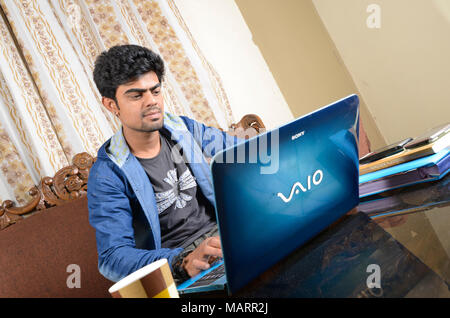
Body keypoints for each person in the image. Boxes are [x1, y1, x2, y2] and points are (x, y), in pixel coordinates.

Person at [87, 44, 240, 284]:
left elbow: (242, 153)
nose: (151, 102)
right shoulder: (107, 174)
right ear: (111, 105)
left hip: (227, 239)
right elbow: (112, 257)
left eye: (155, 91)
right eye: (136, 95)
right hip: (183, 269)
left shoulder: (182, 128)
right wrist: (182, 261)